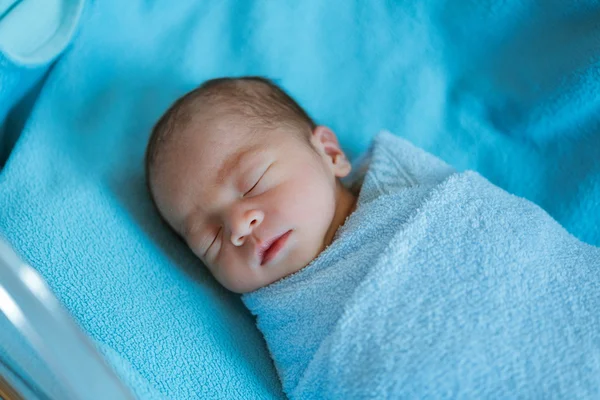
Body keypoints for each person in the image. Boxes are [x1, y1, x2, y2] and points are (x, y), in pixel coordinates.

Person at [145, 76, 357, 293]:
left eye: (253, 184)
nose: (238, 227)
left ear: (330, 153)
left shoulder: (389, 191)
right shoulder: (286, 318)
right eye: (210, 240)